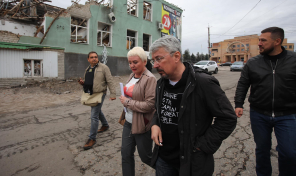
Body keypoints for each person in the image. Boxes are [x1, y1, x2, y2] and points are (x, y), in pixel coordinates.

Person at [149, 35, 237, 175]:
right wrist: (155, 124)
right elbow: (159, 110)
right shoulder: (161, 84)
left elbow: (228, 118)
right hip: (164, 159)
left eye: (159, 59)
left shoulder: (203, 83)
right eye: (153, 60)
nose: (155, 65)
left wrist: (202, 146)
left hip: (192, 161)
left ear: (176, 56)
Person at [234, 27, 296, 176]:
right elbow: (243, 84)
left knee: (289, 153)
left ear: (277, 41)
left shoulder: (293, 60)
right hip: (259, 114)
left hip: (287, 114)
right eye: (259, 40)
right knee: (262, 150)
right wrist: (238, 104)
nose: (259, 43)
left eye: (263, 40)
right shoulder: (253, 62)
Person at [118, 47, 157, 176]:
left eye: (135, 62)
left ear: (144, 61)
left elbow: (150, 105)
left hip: (142, 124)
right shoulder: (132, 75)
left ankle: (169, 171)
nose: (132, 66)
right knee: (126, 154)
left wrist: (127, 102)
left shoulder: (150, 79)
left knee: (146, 157)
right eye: (130, 62)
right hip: (128, 123)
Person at [78, 51, 116, 150]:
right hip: (91, 93)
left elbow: (110, 80)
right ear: (88, 59)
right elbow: (89, 82)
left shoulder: (104, 68)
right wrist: (83, 83)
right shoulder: (88, 69)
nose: (94, 58)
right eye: (92, 57)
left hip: (100, 93)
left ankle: (92, 138)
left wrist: (113, 94)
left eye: (95, 57)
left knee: (94, 115)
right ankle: (105, 125)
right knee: (97, 111)